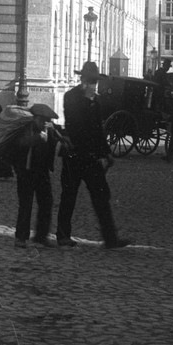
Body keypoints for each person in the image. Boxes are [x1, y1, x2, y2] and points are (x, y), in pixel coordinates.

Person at [55, 61, 130, 249]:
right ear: (82, 79)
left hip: (91, 158)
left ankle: (110, 238)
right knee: (69, 196)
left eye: (95, 81)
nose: (93, 84)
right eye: (90, 80)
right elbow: (75, 126)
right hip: (74, 155)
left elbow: (98, 131)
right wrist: (87, 101)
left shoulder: (96, 101)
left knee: (101, 196)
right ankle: (63, 235)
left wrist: (106, 153)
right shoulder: (71, 97)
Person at [12, 103, 63, 248]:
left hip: (42, 171)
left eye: (48, 120)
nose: (46, 123)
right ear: (36, 118)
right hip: (26, 171)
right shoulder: (26, 128)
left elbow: (61, 135)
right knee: (26, 205)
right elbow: (22, 142)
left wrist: (63, 139)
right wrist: (38, 138)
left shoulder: (50, 129)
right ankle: (21, 238)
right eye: (43, 120)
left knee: (46, 202)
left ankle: (41, 237)